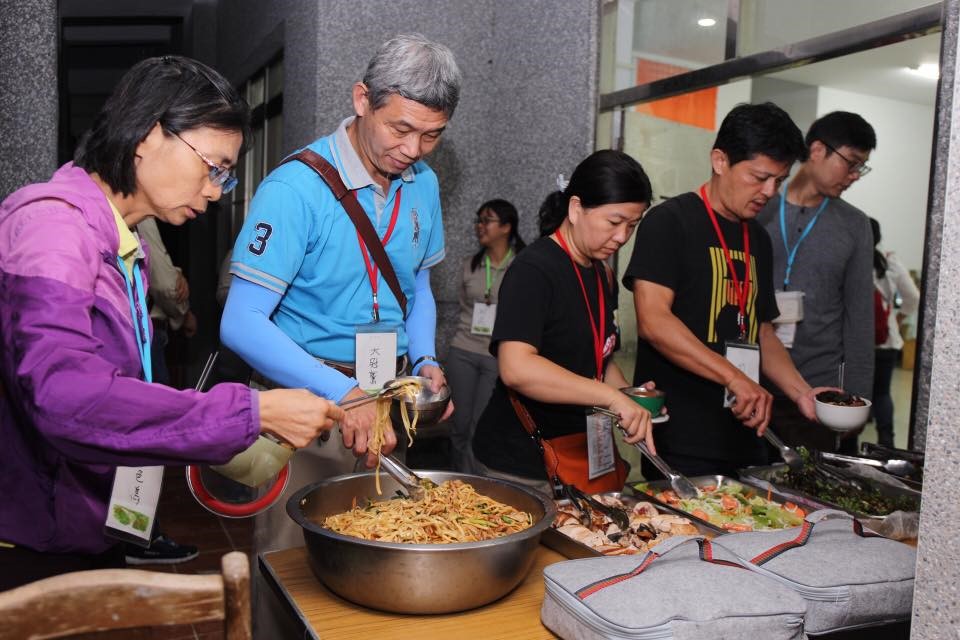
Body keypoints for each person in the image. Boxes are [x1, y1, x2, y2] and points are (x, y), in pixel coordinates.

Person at [0, 55, 343, 591]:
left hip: (72, 519)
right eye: (214, 166)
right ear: (148, 135)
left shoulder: (119, 239)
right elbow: (64, 397)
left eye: (225, 176)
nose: (214, 190)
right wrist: (251, 411)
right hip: (30, 535)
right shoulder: (53, 228)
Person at [219, 34, 459, 636]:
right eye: (400, 129)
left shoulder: (423, 184)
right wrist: (343, 392)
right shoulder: (294, 189)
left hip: (385, 398)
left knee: (378, 558)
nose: (413, 149)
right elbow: (240, 321)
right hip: (305, 406)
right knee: (289, 567)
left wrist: (425, 356)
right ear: (361, 100)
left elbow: (419, 288)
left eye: (431, 135)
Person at [623, 102, 831, 479]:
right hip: (682, 436)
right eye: (759, 177)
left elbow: (762, 331)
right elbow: (653, 320)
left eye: (779, 180)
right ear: (720, 160)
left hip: (747, 432)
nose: (769, 191)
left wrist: (802, 392)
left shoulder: (758, 239)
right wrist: (733, 377)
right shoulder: (670, 223)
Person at [472, 150, 656, 496]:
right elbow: (517, 367)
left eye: (632, 225)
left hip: (577, 451)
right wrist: (609, 397)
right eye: (614, 222)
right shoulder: (535, 269)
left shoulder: (602, 274)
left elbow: (600, 357)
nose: (622, 237)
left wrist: (630, 398)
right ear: (575, 209)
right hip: (521, 462)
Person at [757, 111, 876, 454]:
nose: (854, 176)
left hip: (819, 393)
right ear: (818, 150)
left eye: (861, 168)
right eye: (850, 163)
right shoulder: (759, 209)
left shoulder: (854, 225)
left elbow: (859, 317)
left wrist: (856, 399)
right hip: (752, 385)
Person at [446, 199, 525, 472]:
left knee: (480, 424)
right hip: (463, 350)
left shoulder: (523, 264)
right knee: (459, 424)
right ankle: (455, 480)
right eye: (478, 220)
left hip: (498, 355)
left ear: (506, 227)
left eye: (487, 220)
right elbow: (462, 304)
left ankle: (474, 482)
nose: (480, 226)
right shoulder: (470, 264)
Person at [870, 218, 920, 448]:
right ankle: (886, 442)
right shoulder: (890, 262)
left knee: (852, 391)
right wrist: (898, 317)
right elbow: (913, 297)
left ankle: (846, 442)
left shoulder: (851, 260)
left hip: (853, 343)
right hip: (885, 340)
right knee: (882, 393)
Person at [137, 216, 197, 387]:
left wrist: (175, 274)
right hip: (146, 332)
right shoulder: (141, 216)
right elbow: (165, 286)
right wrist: (184, 314)